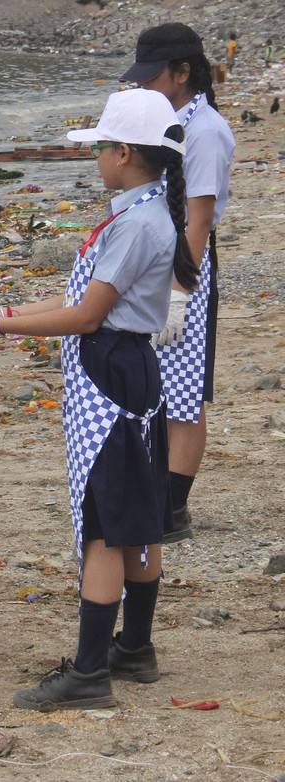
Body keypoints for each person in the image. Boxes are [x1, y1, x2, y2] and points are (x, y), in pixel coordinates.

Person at [0, 89, 196, 710]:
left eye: (102, 148)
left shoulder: (137, 223)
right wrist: (1, 311)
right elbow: (75, 302)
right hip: (122, 364)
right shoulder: (139, 209)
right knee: (136, 512)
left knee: (107, 525)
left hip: (114, 368)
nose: (97, 158)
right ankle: (133, 648)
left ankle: (88, 673)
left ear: (126, 153)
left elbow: (85, 316)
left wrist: (1, 329)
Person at [121, 23, 235, 542]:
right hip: (158, 262)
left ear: (183, 72)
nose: (145, 85)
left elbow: (200, 218)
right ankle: (155, 496)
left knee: (185, 393)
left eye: (153, 75)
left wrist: (180, 294)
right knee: (156, 385)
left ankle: (173, 508)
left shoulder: (205, 129)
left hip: (184, 266)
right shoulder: (170, 120)